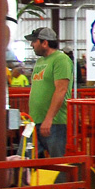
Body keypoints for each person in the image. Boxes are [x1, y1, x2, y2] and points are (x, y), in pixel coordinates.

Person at [26, 27, 73, 160]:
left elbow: (61, 90)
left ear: (44, 43)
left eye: (34, 41)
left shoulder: (61, 59)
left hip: (55, 123)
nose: (32, 45)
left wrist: (49, 118)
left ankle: (62, 181)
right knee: (24, 159)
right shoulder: (40, 61)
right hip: (35, 121)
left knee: (58, 163)